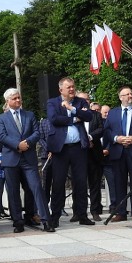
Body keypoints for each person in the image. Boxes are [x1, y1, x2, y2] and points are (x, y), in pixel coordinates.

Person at [0, 88, 53, 233]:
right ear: (7, 101)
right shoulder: (1, 118)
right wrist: (17, 145)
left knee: (36, 188)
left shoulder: (29, 115)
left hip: (28, 158)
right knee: (13, 192)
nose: (18, 100)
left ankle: (46, 220)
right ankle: (18, 222)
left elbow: (37, 132)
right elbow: (2, 136)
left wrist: (26, 143)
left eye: (19, 98)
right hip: (11, 158)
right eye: (14, 98)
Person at [46, 77, 95, 227]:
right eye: (69, 88)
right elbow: (54, 119)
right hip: (60, 149)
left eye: (73, 87)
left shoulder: (81, 102)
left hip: (78, 148)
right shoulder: (52, 102)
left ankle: (82, 215)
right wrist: (74, 119)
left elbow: (89, 116)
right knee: (58, 183)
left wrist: (72, 109)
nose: (72, 89)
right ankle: (54, 217)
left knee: (80, 182)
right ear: (61, 90)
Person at [103, 86, 132, 222]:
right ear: (120, 97)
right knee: (119, 182)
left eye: (131, 93)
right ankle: (120, 212)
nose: (130, 96)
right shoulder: (112, 113)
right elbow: (107, 130)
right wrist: (116, 138)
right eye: (127, 94)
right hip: (117, 151)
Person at [77, 91, 105, 221]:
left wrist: (89, 137)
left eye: (87, 99)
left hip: (94, 153)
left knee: (95, 183)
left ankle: (95, 210)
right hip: (79, 154)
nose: (86, 102)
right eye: (83, 100)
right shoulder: (74, 115)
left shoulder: (96, 115)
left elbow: (101, 129)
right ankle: (78, 212)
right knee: (79, 184)